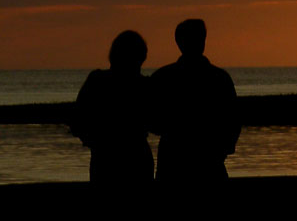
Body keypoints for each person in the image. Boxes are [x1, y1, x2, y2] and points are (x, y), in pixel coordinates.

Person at [149, 18, 240, 189]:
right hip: (208, 160)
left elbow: (150, 120)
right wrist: (223, 149)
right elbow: (233, 120)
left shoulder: (163, 77)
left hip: (174, 159)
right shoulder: (219, 78)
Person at [71, 30, 153, 189]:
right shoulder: (145, 86)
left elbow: (77, 121)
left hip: (105, 158)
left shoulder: (97, 81)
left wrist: (94, 142)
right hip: (136, 157)